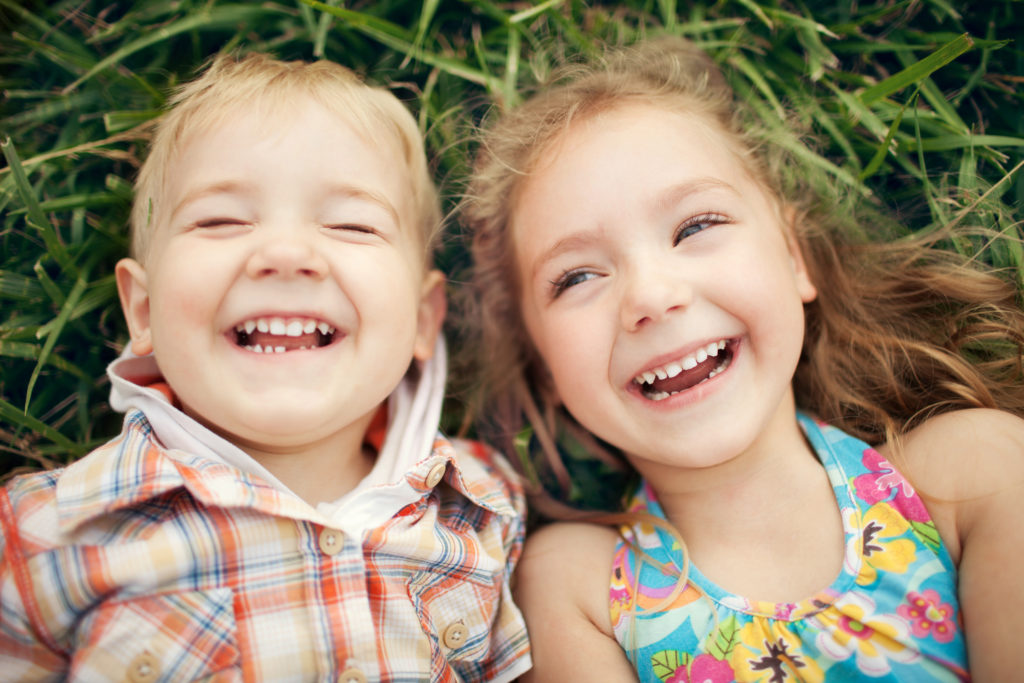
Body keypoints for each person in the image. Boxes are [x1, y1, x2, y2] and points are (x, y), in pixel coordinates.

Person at [462, 37, 1024, 682]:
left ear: (793, 256)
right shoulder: (575, 588)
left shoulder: (971, 474)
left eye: (696, 227)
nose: (650, 296)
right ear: (545, 366)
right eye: (577, 277)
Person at [0, 53, 531, 682]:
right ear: (143, 309)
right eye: (221, 220)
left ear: (421, 319)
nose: (285, 253)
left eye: (351, 224)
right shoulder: (40, 532)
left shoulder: (485, 504)